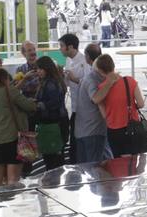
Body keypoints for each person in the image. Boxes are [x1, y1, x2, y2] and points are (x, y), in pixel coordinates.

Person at [0, 66, 38, 191]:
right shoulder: (10, 91)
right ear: (5, 79)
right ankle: (11, 207)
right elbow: (30, 107)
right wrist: (32, 101)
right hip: (10, 141)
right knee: (13, 179)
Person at [92, 53, 146, 157]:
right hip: (133, 128)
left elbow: (104, 115)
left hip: (114, 131)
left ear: (101, 72)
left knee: (119, 162)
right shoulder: (130, 81)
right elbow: (141, 104)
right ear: (113, 65)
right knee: (135, 159)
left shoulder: (102, 89)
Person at [73, 43, 109, 164]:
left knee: (89, 169)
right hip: (92, 130)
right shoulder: (94, 77)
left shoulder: (92, 77)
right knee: (94, 169)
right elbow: (96, 98)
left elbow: (95, 98)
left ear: (87, 56)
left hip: (86, 130)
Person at [34, 55, 68, 170]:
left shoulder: (51, 83)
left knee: (53, 161)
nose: (38, 71)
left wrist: (38, 104)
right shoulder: (53, 81)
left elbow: (55, 102)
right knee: (54, 160)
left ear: (47, 68)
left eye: (40, 69)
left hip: (54, 125)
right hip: (56, 124)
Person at [58, 33, 88, 162]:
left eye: (62, 46)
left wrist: (74, 79)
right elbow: (67, 83)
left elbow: (89, 83)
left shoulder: (85, 61)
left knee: (80, 140)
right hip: (75, 107)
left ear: (70, 47)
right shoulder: (68, 60)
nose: (60, 49)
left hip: (85, 109)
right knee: (74, 139)